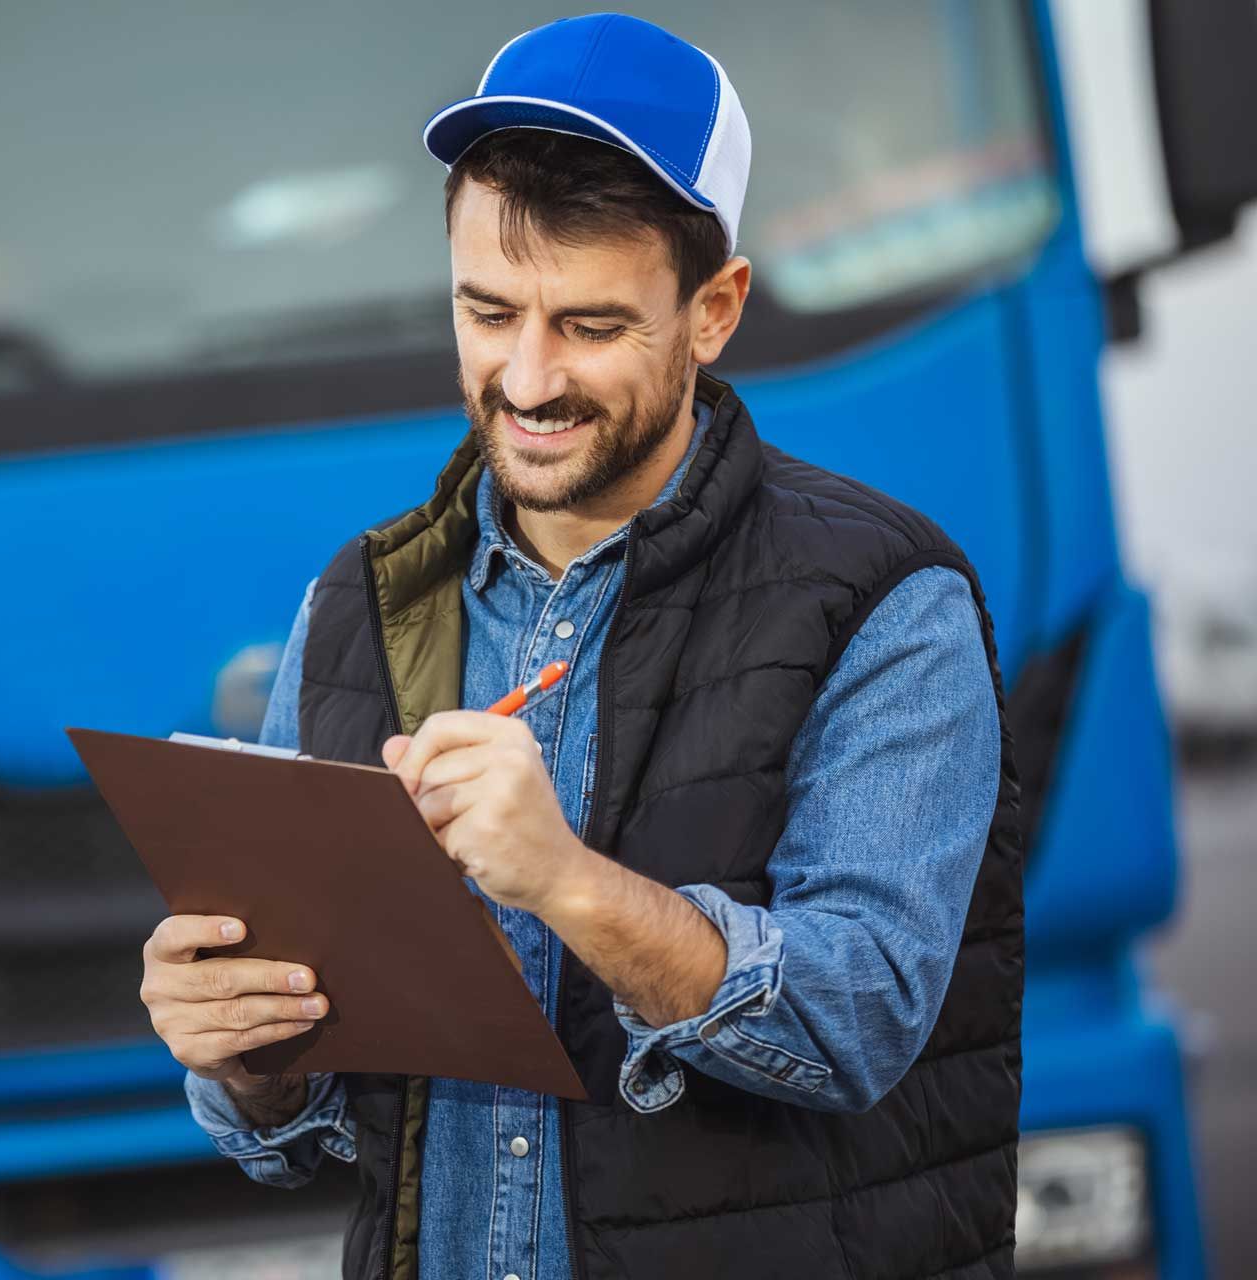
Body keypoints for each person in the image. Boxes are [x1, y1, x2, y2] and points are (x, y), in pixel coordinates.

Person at [138, 14, 1021, 1279]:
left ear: (714, 310)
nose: (529, 377)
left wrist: (568, 881)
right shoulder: (359, 604)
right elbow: (312, 1132)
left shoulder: (880, 594)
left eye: (592, 326)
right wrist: (238, 1049)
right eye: (488, 311)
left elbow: (860, 1019)